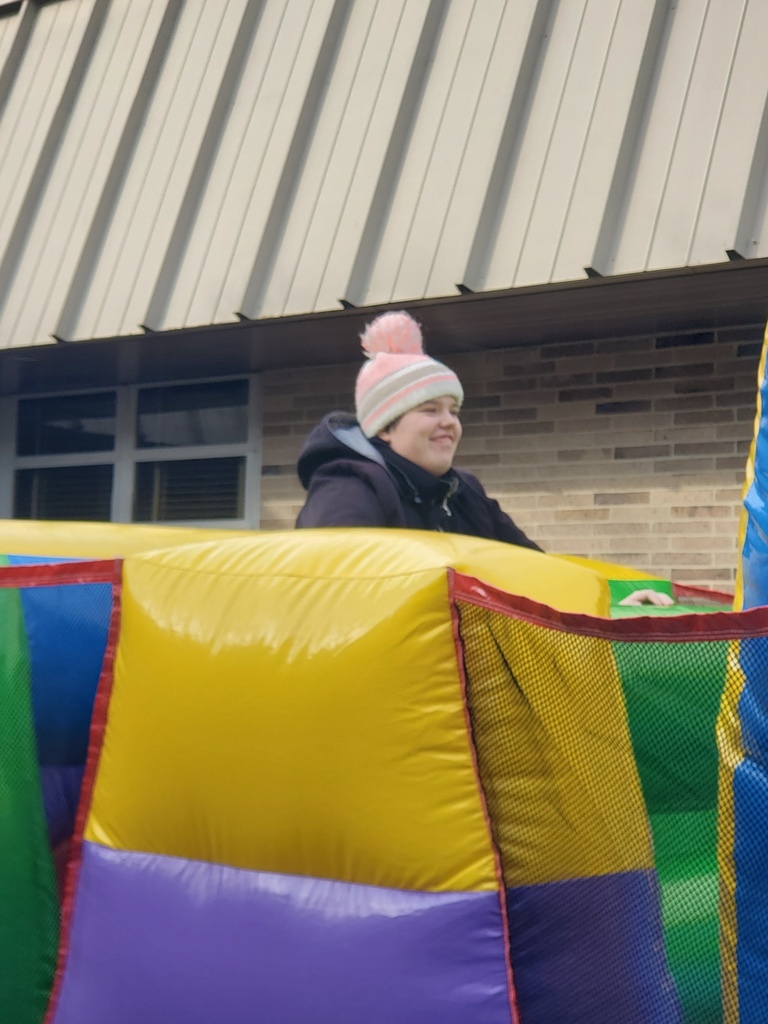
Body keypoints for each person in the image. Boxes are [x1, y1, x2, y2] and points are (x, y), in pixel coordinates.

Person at [295, 310, 673, 608]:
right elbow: (335, 591)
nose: (449, 423)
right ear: (384, 428)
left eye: (454, 410)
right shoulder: (348, 485)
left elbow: (533, 568)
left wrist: (604, 597)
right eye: (429, 410)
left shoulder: (464, 492)